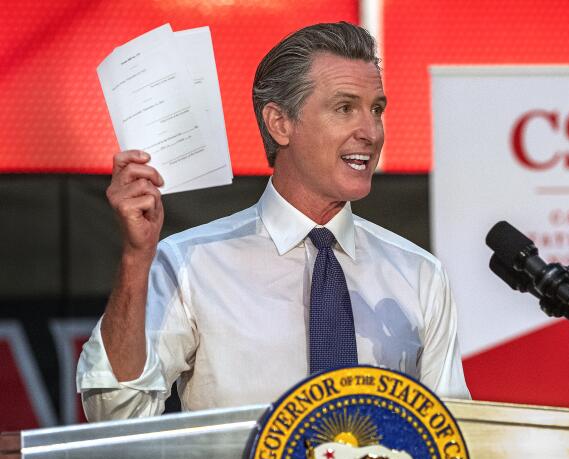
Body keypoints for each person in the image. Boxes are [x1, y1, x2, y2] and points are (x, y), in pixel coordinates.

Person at [76, 22, 471, 421]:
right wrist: (135, 259)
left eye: (377, 109)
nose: (370, 131)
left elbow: (455, 436)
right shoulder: (190, 263)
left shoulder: (420, 274)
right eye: (344, 108)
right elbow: (115, 414)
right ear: (280, 123)